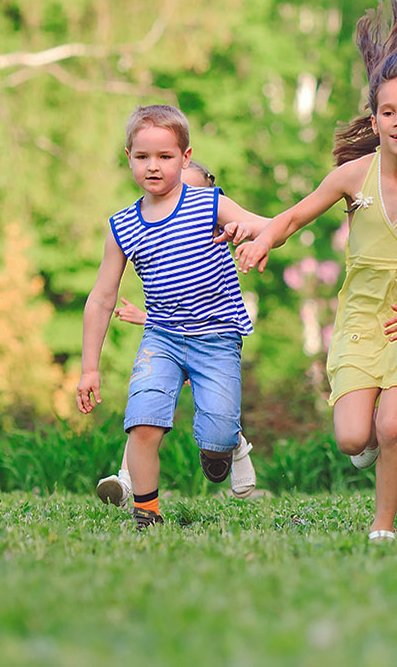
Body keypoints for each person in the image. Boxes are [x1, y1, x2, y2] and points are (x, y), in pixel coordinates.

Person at [237, 0, 397, 542]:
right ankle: (370, 451)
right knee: (350, 438)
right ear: (374, 118)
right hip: (361, 317)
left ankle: (382, 526)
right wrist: (266, 237)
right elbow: (294, 216)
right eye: (388, 112)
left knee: (393, 426)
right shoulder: (350, 177)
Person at [76, 105, 261, 528]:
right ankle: (147, 513)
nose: (153, 166)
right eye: (142, 157)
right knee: (143, 422)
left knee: (217, 434)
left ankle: (220, 450)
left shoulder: (210, 203)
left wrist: (246, 234)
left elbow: (265, 226)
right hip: (160, 338)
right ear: (128, 158)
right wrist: (90, 368)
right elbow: (102, 299)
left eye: (165, 157)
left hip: (216, 338)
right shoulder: (122, 226)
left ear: (186, 156)